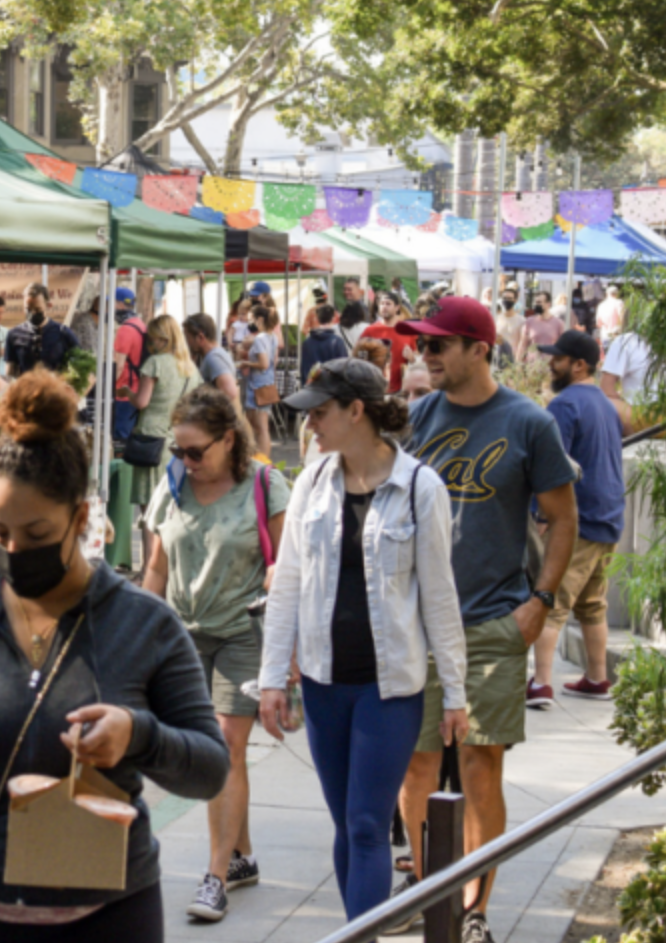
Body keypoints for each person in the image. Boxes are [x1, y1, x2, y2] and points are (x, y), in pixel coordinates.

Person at [0, 373, 229, 941]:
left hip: (107, 912)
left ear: (79, 517)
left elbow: (210, 769)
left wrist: (138, 735)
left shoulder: (145, 625)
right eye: (0, 532)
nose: (15, 551)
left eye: (37, 532)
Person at [391, 297, 580, 941]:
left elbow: (563, 518)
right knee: (414, 765)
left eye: (440, 344)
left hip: (495, 621)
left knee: (479, 766)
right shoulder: (417, 417)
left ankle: (472, 910)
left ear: (479, 348)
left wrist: (542, 600)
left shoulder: (529, 423)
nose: (426, 355)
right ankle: (420, 892)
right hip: (417, 625)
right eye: (424, 344)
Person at [262, 359, 468, 921]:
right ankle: (361, 929)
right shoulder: (311, 482)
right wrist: (271, 678)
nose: (310, 426)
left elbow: (440, 597)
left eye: (321, 413)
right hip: (325, 683)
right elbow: (288, 586)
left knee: (368, 825)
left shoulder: (420, 487)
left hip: (391, 687)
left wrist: (455, 692)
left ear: (358, 411)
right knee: (343, 825)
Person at [140, 387, 291, 923]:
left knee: (224, 747)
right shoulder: (175, 483)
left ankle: (215, 875)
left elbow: (288, 574)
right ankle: (241, 855)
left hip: (242, 633)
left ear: (230, 439)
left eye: (196, 451)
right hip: (183, 635)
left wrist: (288, 654)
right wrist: (141, 632)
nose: (186, 461)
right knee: (215, 751)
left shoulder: (266, 485)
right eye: (179, 451)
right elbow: (156, 566)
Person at [528, 332, 624, 706]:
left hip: (577, 519)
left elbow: (554, 466)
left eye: (558, 358)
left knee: (550, 600)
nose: (551, 363)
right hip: (609, 516)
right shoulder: (605, 403)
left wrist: (542, 515)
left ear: (578, 364)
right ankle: (598, 678)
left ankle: (541, 684)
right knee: (592, 604)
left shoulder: (565, 405)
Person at [122, 315, 201, 501]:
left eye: (152, 338)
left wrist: (127, 393)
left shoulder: (155, 363)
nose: (150, 343)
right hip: (177, 437)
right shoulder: (190, 368)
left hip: (150, 438)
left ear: (164, 339)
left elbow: (142, 402)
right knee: (170, 501)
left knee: (149, 504)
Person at [4, 282, 80, 378]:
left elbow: (81, 367)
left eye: (37, 309)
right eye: (28, 309)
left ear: (49, 306)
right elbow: (10, 372)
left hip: (55, 391)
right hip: (26, 391)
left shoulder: (63, 333)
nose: (32, 313)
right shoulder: (14, 334)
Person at [240, 305, 279, 459]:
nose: (251, 322)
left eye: (252, 318)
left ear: (260, 319)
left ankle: (262, 462)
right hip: (266, 383)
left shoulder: (260, 338)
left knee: (259, 427)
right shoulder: (272, 336)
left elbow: (263, 364)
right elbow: (272, 362)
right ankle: (261, 460)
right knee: (259, 425)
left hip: (257, 385)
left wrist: (246, 364)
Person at [112, 285, 149, 443]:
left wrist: (108, 388)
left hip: (123, 393)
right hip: (138, 391)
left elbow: (119, 366)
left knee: (121, 441)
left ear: (120, 304)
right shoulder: (140, 324)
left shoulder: (125, 330)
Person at [365, 294, 417, 392]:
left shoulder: (407, 330)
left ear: (397, 307)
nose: (384, 307)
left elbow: (418, 359)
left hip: (401, 389)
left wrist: (412, 358)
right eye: (381, 304)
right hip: (376, 388)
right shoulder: (370, 331)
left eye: (388, 304)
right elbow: (360, 357)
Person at [184, 314, 241, 405]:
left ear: (200, 337)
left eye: (188, 338)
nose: (186, 343)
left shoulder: (214, 358)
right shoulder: (213, 355)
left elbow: (230, 393)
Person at [301, 304, 350, 384]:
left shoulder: (307, 343)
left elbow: (304, 370)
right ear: (333, 318)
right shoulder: (337, 342)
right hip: (331, 390)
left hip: (311, 389)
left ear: (317, 318)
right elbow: (344, 369)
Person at [517, 293, 565, 362]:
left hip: (550, 366)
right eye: (535, 302)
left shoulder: (559, 323)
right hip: (532, 366)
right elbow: (523, 344)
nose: (536, 305)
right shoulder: (529, 322)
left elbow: (562, 347)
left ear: (548, 304)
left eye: (539, 302)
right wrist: (518, 363)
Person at [494, 287, 525, 354]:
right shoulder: (496, 318)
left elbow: (523, 342)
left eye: (509, 298)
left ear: (515, 300)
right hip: (498, 357)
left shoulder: (522, 321)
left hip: (514, 359)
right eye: (504, 298)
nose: (506, 300)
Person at [596, 285, 626, 350]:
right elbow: (622, 317)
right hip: (616, 334)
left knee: (607, 355)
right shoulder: (619, 303)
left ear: (607, 294)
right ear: (617, 294)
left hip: (605, 335)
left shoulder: (601, 305)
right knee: (617, 356)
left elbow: (598, 324)